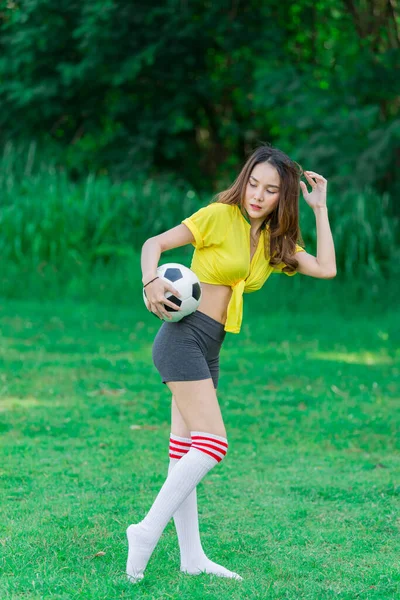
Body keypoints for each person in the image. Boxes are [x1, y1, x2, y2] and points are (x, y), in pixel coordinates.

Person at [127, 144, 336, 582]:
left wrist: (320, 209)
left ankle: (192, 558)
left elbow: (326, 268)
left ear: (284, 197)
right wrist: (150, 279)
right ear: (244, 181)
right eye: (254, 184)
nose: (258, 195)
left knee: (183, 450)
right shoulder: (218, 216)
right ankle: (145, 531)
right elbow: (155, 243)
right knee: (213, 443)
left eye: (271, 189)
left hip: (210, 346)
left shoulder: (276, 241)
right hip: (181, 337)